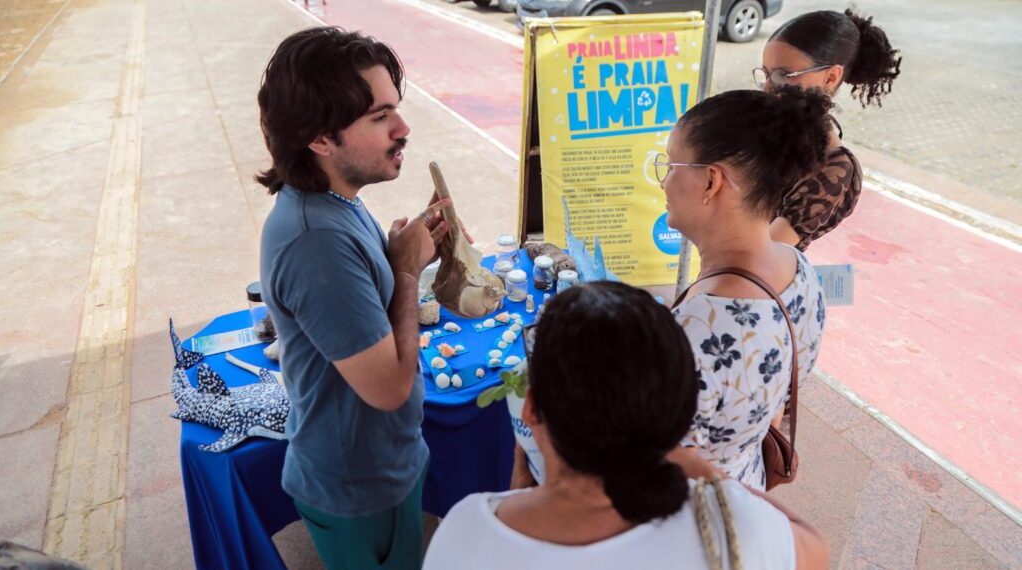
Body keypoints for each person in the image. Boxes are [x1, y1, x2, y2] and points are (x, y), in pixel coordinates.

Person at [424, 282, 829, 569]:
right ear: (676, 415)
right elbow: (813, 549)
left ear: (530, 408)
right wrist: (697, 467)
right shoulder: (734, 526)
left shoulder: (467, 534)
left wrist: (516, 498)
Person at [257, 27, 451, 569]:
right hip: (356, 488)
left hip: (384, 466)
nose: (403, 128)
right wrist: (408, 272)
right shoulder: (315, 242)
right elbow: (388, 388)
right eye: (379, 116)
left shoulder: (337, 201)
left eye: (396, 109)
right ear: (320, 139)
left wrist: (401, 257)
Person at [658, 87, 829, 489]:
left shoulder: (697, 330)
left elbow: (655, 462)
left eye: (670, 165)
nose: (664, 182)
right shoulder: (799, 270)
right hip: (747, 489)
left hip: (695, 521)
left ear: (711, 181)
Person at [754, 9, 902, 250]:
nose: (768, 87)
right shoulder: (763, 127)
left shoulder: (835, 168)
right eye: (766, 74)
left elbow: (759, 254)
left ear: (831, 77)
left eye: (783, 75)